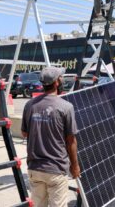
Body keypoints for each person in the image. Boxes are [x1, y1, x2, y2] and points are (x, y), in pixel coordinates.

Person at [21, 67, 80, 207]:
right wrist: (75, 166)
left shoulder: (30, 105)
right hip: (56, 169)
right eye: (61, 77)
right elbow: (71, 140)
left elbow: (24, 133)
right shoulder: (66, 107)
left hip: (35, 168)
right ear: (57, 81)